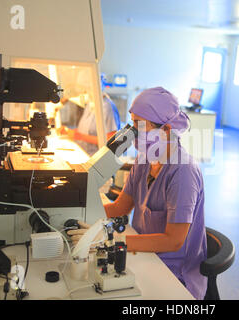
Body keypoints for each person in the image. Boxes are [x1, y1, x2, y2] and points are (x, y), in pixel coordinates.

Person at [68, 87, 208, 300]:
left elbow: (173, 241)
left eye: (139, 125)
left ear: (166, 130)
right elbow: (119, 207)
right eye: (132, 123)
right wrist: (79, 214)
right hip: (143, 255)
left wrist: (114, 239)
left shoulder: (183, 171)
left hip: (174, 275)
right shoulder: (145, 160)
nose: (132, 132)